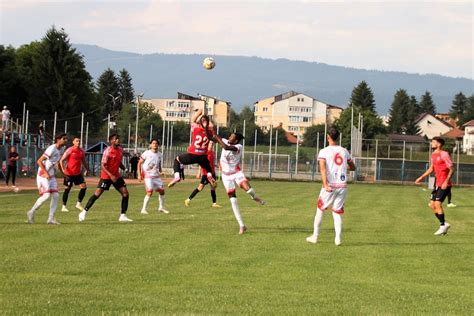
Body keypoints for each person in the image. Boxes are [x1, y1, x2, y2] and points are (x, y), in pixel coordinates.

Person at [306, 128, 356, 246]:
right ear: (338, 137)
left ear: (328, 137)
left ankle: (315, 236)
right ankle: (338, 238)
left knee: (320, 209)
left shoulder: (323, 151)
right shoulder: (344, 151)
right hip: (342, 186)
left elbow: (322, 169)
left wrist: (325, 184)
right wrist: (343, 168)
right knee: (337, 212)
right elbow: (352, 167)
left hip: (330, 185)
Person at [209, 130, 264, 234]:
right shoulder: (225, 141)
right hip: (226, 176)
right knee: (233, 201)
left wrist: (217, 137)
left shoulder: (239, 147)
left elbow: (226, 147)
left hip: (236, 173)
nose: (229, 137)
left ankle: (255, 197)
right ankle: (242, 225)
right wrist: (206, 126)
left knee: (249, 190)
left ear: (237, 140)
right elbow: (210, 137)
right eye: (229, 136)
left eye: (232, 137)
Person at [79, 134, 132, 222]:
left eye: (118, 138)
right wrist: (111, 175)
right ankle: (83, 212)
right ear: (111, 141)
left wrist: (126, 170)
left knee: (125, 193)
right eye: (116, 139)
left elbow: (119, 163)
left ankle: (123, 216)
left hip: (116, 176)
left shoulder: (120, 150)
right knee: (97, 194)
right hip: (106, 176)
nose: (118, 140)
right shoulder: (108, 151)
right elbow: (103, 165)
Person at [167, 109, 216, 188]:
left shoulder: (196, 129)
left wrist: (199, 113)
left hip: (193, 154)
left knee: (177, 160)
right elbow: (211, 125)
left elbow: (193, 120)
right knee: (208, 168)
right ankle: (210, 176)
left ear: (200, 124)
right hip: (203, 155)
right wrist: (206, 119)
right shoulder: (210, 132)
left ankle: (177, 176)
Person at [415, 136, 454, 235]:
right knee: (432, 205)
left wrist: (446, 181)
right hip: (437, 183)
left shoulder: (444, 154)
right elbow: (432, 168)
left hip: (444, 184)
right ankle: (444, 223)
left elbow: (452, 169)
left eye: (433, 142)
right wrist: (421, 177)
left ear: (439, 144)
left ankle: (442, 226)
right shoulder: (433, 155)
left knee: (437, 204)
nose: (432, 143)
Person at [27, 133, 67, 224]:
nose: (66, 140)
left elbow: (58, 162)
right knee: (46, 195)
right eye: (64, 139)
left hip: (51, 175)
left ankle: (51, 219)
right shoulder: (52, 148)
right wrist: (45, 172)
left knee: (56, 196)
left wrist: (63, 173)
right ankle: (31, 212)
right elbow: (39, 161)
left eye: (66, 139)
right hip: (43, 175)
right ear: (58, 139)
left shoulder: (61, 149)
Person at [185, 141, 221, 208]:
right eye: (210, 144)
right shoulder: (204, 153)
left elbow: (211, 163)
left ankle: (214, 203)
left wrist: (216, 166)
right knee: (200, 188)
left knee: (213, 188)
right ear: (207, 145)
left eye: (212, 144)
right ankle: (188, 200)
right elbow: (201, 163)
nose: (211, 145)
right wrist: (199, 172)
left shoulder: (212, 153)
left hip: (212, 173)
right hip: (206, 173)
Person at [59, 136, 90, 212]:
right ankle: (63, 206)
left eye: (79, 141)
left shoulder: (82, 151)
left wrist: (87, 169)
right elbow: (61, 160)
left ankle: (78, 204)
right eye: (76, 141)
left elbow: (84, 161)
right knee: (67, 189)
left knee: (84, 187)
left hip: (78, 174)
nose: (78, 142)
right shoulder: (70, 150)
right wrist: (63, 169)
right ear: (73, 142)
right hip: (69, 174)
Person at [138, 139, 169, 214]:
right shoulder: (146, 153)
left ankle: (161, 207)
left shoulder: (160, 154)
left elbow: (158, 164)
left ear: (158, 145)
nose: (154, 144)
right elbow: (139, 163)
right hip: (148, 175)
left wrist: (161, 171)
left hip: (156, 176)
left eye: (156, 143)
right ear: (150, 145)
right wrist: (139, 174)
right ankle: (143, 209)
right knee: (149, 192)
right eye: (153, 143)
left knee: (162, 191)